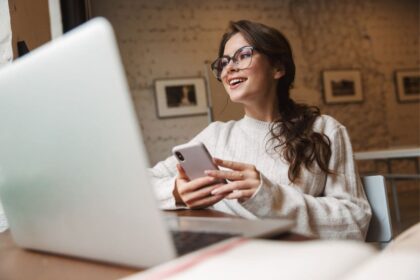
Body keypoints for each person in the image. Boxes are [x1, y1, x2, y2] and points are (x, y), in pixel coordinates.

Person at [150, 20, 371, 239]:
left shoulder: (325, 130)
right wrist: (177, 192)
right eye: (224, 62)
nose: (229, 68)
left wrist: (269, 197)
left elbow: (355, 220)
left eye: (243, 55)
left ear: (278, 67)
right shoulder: (215, 135)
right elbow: (144, 183)